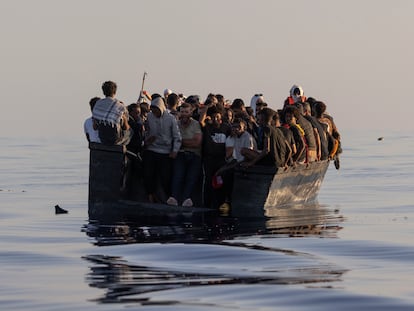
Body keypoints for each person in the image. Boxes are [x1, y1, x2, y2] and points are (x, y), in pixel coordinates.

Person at [143, 97, 182, 203]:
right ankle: (150, 195)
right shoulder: (149, 117)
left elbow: (177, 137)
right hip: (151, 149)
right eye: (152, 109)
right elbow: (146, 132)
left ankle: (169, 199)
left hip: (165, 152)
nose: (154, 111)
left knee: (166, 177)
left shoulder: (170, 119)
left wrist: (175, 150)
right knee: (148, 173)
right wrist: (146, 140)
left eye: (155, 109)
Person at [167, 102, 203, 207]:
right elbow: (172, 140)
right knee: (177, 176)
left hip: (194, 155)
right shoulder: (176, 124)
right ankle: (174, 198)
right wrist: (185, 142)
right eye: (182, 112)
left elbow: (196, 143)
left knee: (191, 178)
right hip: (180, 154)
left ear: (191, 113)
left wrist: (180, 142)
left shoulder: (195, 124)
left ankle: (186, 199)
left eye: (186, 112)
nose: (184, 114)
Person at [199, 105, 231, 208]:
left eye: (217, 116)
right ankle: (207, 204)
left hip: (221, 159)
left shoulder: (226, 128)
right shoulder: (208, 127)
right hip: (209, 159)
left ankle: (220, 203)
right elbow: (201, 122)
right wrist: (206, 108)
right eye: (213, 117)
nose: (215, 119)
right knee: (208, 182)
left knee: (221, 182)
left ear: (220, 116)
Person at [92, 81, 131, 145]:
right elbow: (125, 127)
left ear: (103, 92)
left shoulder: (98, 104)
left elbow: (95, 127)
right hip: (115, 140)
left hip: (103, 139)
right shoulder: (120, 106)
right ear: (115, 92)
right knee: (130, 132)